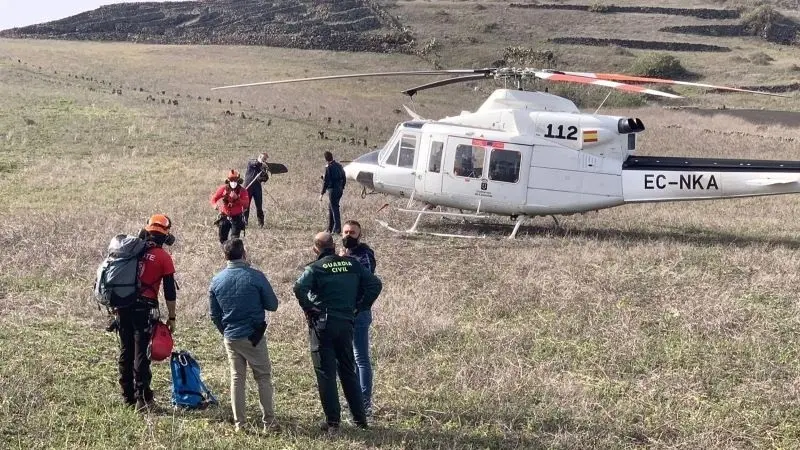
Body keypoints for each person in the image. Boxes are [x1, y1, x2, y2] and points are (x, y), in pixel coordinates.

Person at [293, 232, 382, 432]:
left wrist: (309, 308)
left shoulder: (315, 268)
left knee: (326, 373)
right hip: (346, 322)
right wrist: (361, 305)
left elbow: (298, 288)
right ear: (333, 245)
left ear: (316, 249)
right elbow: (375, 284)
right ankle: (360, 420)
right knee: (348, 371)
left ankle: (333, 421)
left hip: (323, 324)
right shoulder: (352, 264)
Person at [209, 238, 280, 432]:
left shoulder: (216, 280)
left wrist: (225, 331)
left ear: (225, 256)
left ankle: (240, 424)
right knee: (263, 378)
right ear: (244, 254)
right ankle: (269, 423)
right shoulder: (255, 276)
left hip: (231, 336)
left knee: (237, 378)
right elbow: (272, 305)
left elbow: (214, 314)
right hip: (254, 336)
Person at [118, 214, 177, 411]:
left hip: (123, 305)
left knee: (126, 350)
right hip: (143, 308)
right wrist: (172, 317)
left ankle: (127, 396)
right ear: (165, 236)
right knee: (141, 353)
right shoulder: (163, 257)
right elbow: (169, 292)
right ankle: (143, 399)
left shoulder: (131, 251)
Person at [339, 220, 377, 417]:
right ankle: (353, 399)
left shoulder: (364, 255)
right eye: (345, 232)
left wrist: (346, 263)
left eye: (352, 233)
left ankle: (365, 402)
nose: (348, 235)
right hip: (344, 312)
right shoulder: (343, 254)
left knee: (360, 357)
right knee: (348, 358)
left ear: (359, 235)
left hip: (359, 312)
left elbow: (366, 278)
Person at [210, 169, 250, 244]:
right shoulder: (223, 189)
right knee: (222, 239)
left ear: (238, 180)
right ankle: (225, 252)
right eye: (231, 180)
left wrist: (237, 199)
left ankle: (234, 253)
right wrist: (214, 205)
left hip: (237, 217)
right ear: (228, 180)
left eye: (235, 180)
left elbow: (246, 204)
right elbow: (214, 198)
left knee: (234, 240)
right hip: (224, 216)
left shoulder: (243, 191)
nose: (233, 182)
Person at [319, 151, 346, 235]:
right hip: (339, 189)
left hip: (332, 190)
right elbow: (344, 177)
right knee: (331, 208)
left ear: (325, 159)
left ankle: (337, 229)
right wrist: (342, 187)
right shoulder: (339, 165)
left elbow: (326, 181)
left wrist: (321, 193)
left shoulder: (328, 167)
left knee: (334, 209)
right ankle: (330, 228)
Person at [243, 153, 270, 228]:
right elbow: (255, 163)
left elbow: (264, 179)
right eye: (263, 158)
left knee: (259, 205)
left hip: (257, 187)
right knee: (246, 205)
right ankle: (245, 222)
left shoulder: (263, 167)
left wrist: (264, 174)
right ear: (260, 157)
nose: (264, 160)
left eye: (265, 159)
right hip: (248, 186)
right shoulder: (251, 162)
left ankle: (261, 223)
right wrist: (260, 163)